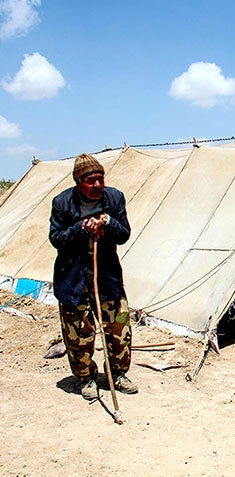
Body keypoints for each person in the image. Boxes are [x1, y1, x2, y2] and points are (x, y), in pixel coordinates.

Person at [49, 153, 137, 400]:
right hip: (74, 279)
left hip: (107, 278)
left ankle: (117, 374)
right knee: (78, 335)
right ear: (79, 182)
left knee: (119, 329)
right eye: (90, 180)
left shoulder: (114, 197)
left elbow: (123, 234)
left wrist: (107, 222)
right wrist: (80, 229)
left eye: (100, 179)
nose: (97, 185)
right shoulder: (62, 202)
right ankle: (86, 378)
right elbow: (56, 238)